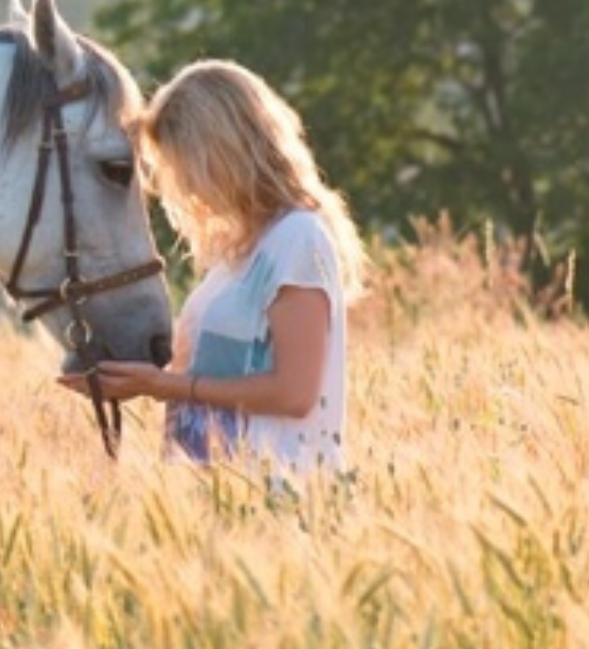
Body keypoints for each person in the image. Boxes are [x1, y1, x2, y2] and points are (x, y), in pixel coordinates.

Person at [60, 59, 367, 474]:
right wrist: (127, 379)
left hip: (273, 496)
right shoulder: (237, 254)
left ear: (223, 151)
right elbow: (226, 374)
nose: (185, 187)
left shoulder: (297, 238)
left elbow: (295, 392)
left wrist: (162, 385)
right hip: (211, 496)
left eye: (186, 166)